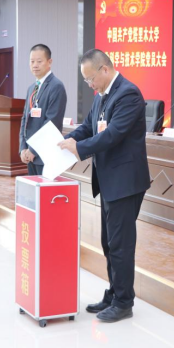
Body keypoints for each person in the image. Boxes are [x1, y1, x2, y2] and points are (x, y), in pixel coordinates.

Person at [58, 49, 150, 324]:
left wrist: (79, 148)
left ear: (105, 69)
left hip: (125, 182)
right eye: (86, 80)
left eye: (90, 79)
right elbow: (88, 127)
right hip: (110, 181)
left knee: (121, 244)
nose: (89, 84)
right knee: (108, 243)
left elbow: (113, 135)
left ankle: (124, 302)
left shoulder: (128, 94)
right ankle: (114, 293)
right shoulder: (102, 96)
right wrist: (67, 141)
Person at [19, 44, 67, 175]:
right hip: (29, 155)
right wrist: (23, 148)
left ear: (49, 62)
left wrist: (33, 150)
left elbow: (52, 123)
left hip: (45, 155)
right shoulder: (31, 88)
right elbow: (25, 119)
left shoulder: (56, 86)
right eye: (32, 61)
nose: (35, 65)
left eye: (39, 61)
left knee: (45, 188)